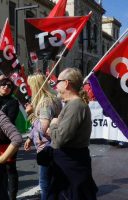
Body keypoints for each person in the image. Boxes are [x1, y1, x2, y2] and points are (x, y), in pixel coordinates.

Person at [47, 67, 98, 200]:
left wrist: (53, 125)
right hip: (67, 166)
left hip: (72, 167)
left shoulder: (75, 106)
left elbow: (59, 140)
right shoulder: (72, 104)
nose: (56, 85)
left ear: (67, 83)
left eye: (58, 81)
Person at [24, 73, 62, 200]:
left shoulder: (45, 103)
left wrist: (30, 115)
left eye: (30, 86)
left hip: (46, 147)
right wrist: (30, 137)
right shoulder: (53, 98)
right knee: (53, 183)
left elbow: (42, 128)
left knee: (45, 185)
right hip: (52, 145)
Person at [0, 78, 19, 200]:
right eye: (3, 84)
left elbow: (9, 120)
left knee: (10, 169)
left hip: (6, 141)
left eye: (9, 85)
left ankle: (12, 197)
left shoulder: (13, 102)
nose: (6, 87)